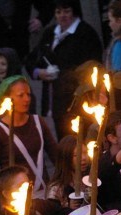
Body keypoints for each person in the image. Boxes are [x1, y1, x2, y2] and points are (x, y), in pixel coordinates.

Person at [25, 0, 103, 139]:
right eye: (58, 12)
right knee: (63, 142)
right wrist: (38, 73)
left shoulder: (85, 34)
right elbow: (33, 58)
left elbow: (92, 66)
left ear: (74, 12)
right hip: (55, 102)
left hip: (76, 99)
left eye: (66, 11)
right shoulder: (50, 33)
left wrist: (62, 75)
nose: (62, 16)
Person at [0, 75, 58, 199]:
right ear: (7, 99)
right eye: (21, 95)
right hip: (17, 198)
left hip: (43, 193)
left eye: (28, 94)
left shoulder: (38, 122)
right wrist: (8, 181)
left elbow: (55, 154)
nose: (27, 99)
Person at [47, 135, 89, 209]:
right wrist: (68, 207)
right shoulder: (56, 189)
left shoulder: (89, 179)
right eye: (76, 155)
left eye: (85, 152)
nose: (84, 158)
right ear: (66, 158)